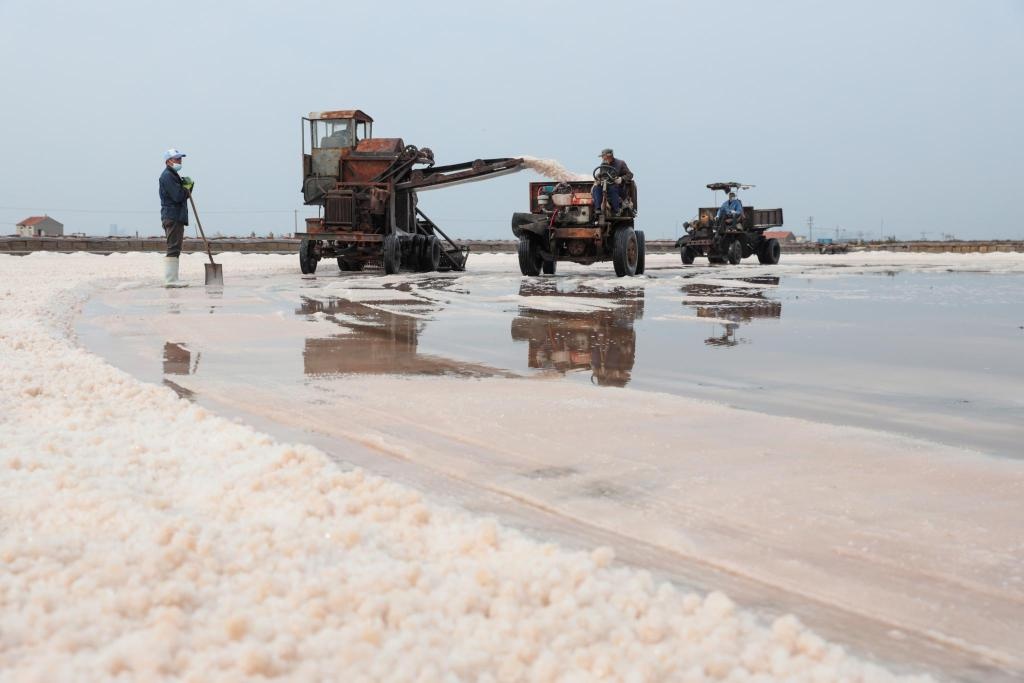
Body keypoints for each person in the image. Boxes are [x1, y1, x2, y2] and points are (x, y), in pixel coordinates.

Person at [159, 148, 194, 285]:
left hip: (175, 216)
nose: (180, 161)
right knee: (173, 246)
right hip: (172, 216)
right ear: (168, 161)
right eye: (177, 159)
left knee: (176, 246)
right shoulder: (168, 176)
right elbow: (178, 196)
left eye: (180, 159)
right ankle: (171, 280)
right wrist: (188, 188)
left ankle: (173, 278)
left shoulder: (173, 175)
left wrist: (187, 186)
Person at [591, 148, 633, 215]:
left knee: (613, 188)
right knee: (596, 188)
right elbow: (602, 174)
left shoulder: (621, 163)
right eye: (602, 157)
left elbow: (630, 175)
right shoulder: (603, 165)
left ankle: (616, 210)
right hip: (605, 185)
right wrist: (598, 179)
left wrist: (621, 179)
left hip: (618, 187)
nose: (602, 158)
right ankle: (598, 209)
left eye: (604, 156)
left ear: (610, 156)